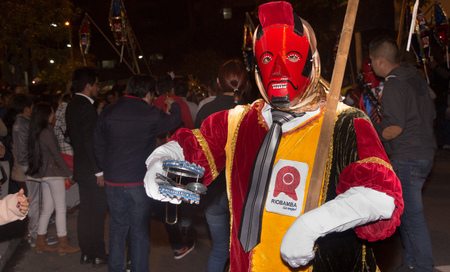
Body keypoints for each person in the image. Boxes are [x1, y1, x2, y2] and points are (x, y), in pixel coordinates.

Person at [144, 2, 403, 271]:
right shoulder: (238, 122)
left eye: (291, 56)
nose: (278, 69)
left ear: (311, 62)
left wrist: (312, 225)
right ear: (256, 68)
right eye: (267, 58)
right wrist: (161, 162)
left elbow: (381, 195)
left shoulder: (345, 122)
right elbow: (192, 147)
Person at [93, 74, 182, 272]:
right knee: (140, 232)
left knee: (117, 230)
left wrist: (105, 168)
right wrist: (173, 104)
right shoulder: (151, 113)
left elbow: (98, 144)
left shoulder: (108, 111)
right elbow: (175, 120)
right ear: (148, 93)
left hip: (113, 182)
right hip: (138, 183)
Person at [370, 36, 436, 272]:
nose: (371, 67)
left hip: (407, 156)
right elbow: (432, 106)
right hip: (425, 152)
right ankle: (410, 263)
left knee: (411, 217)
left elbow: (393, 129)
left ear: (380, 60)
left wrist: (370, 127)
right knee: (406, 215)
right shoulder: (414, 77)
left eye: (371, 62)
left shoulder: (395, 84)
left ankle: (423, 266)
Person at [194, 59, 249, 271]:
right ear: (245, 84)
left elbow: (199, 152)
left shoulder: (206, 110)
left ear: (218, 82)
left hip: (214, 190)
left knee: (219, 249)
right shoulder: (253, 112)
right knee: (246, 250)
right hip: (244, 192)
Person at [65, 67, 108, 266]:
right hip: (92, 170)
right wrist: (99, 170)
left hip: (81, 168)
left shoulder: (72, 105)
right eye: (97, 84)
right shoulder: (86, 107)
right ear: (89, 86)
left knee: (86, 213)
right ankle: (98, 253)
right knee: (97, 213)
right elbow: (91, 142)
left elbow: (78, 140)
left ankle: (86, 252)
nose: (98, 88)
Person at [26, 102, 80, 255]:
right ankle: (63, 244)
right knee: (60, 208)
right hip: (54, 174)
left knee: (47, 209)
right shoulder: (47, 132)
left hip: (44, 175)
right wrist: (69, 174)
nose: (53, 115)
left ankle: (40, 242)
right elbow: (57, 155)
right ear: (45, 115)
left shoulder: (36, 132)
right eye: (51, 113)